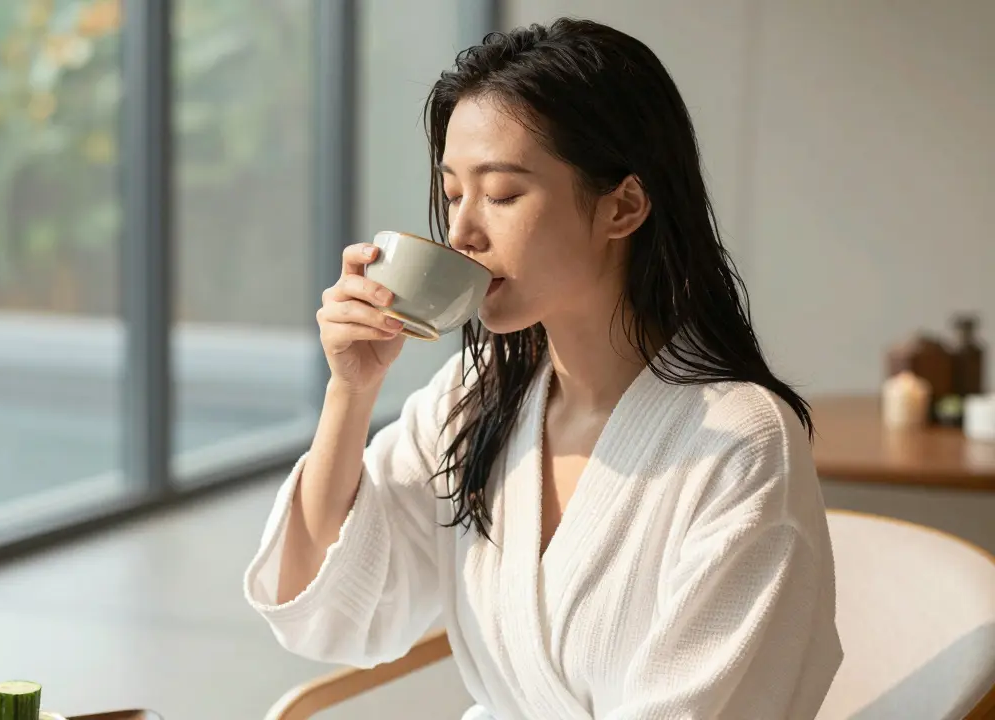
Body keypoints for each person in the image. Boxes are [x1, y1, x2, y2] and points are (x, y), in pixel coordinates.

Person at [243, 16, 842, 720]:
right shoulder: (479, 396)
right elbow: (334, 612)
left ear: (623, 206)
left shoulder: (740, 442)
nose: (462, 232)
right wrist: (351, 388)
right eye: (453, 193)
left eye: (500, 194)